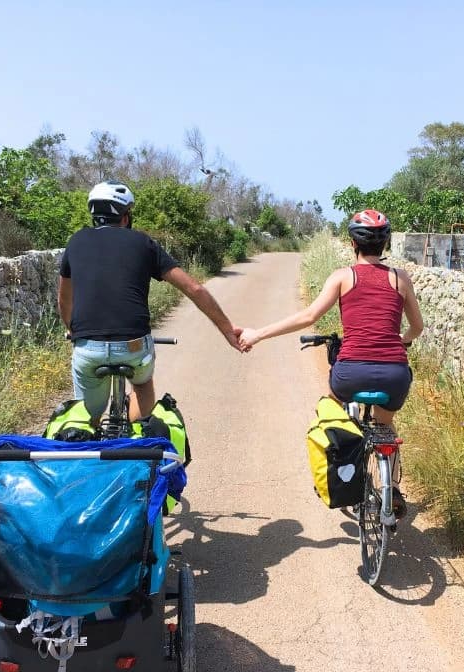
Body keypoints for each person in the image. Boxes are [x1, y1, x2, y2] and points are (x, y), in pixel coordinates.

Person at [239, 209, 424, 513]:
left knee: (331, 406)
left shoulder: (343, 277)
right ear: (386, 243)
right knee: (385, 425)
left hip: (350, 373)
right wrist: (400, 341)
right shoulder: (400, 278)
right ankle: (392, 490)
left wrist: (258, 334)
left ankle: (341, 469)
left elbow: (309, 316)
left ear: (354, 244)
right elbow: (417, 327)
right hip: (394, 373)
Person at [58, 180, 243, 426]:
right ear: (125, 217)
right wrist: (227, 331)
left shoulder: (76, 242)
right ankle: (138, 438)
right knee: (142, 384)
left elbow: (64, 298)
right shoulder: (143, 243)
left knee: (84, 419)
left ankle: (87, 440)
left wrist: (72, 328)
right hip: (134, 346)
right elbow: (194, 288)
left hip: (88, 348)